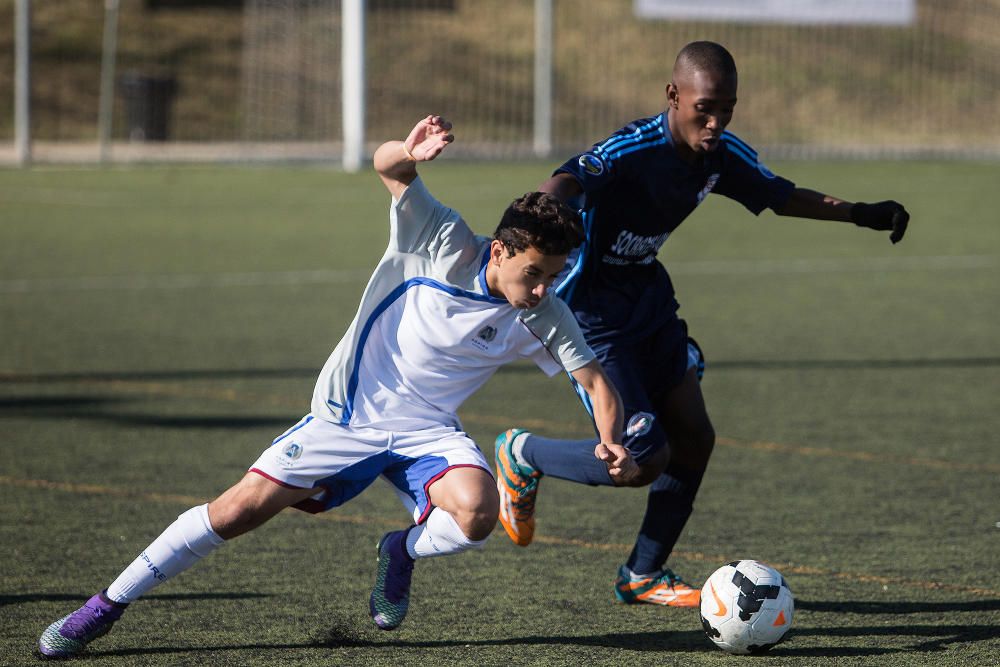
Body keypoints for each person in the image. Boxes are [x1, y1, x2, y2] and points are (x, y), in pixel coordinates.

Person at [38, 115, 628, 658]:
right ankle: (103, 608)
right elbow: (389, 167)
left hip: (427, 433)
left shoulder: (542, 312)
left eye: (553, 277)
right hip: (349, 416)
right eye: (534, 273)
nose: (543, 289)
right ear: (499, 250)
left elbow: (596, 383)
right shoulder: (442, 239)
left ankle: (399, 550)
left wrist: (612, 440)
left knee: (476, 517)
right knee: (237, 511)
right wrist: (408, 150)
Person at [494, 41, 910, 607]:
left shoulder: (719, 154)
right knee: (641, 459)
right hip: (590, 312)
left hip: (648, 301)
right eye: (704, 108)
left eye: (727, 110)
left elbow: (780, 195)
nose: (715, 123)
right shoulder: (633, 148)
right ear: (673, 95)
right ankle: (524, 454)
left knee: (694, 436)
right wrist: (543, 212)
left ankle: (642, 573)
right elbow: (567, 179)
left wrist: (860, 213)